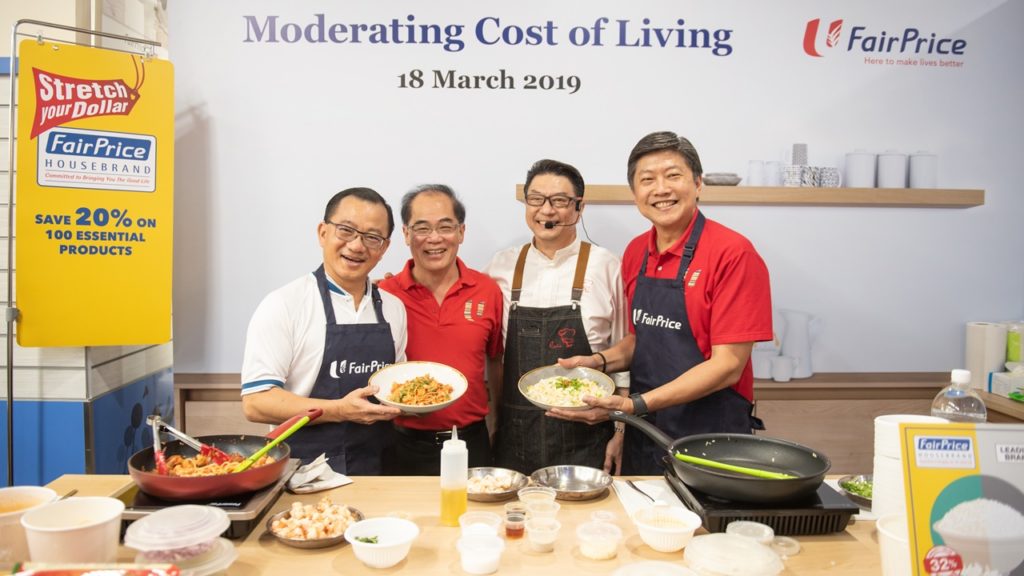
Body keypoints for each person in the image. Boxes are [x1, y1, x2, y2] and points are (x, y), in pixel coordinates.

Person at [551, 131, 773, 475]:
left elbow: (728, 365)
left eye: (673, 176)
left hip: (711, 436)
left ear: (698, 183)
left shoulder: (733, 253)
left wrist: (633, 404)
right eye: (647, 180)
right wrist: (599, 361)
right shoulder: (637, 251)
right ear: (635, 193)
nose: (661, 189)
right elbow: (644, 339)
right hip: (646, 431)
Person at [240, 187, 406, 475]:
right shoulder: (284, 304)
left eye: (372, 237)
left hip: (381, 472)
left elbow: (397, 386)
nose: (357, 246)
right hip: (301, 474)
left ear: (384, 247)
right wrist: (339, 410)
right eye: (346, 230)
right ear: (322, 232)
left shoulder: (394, 308)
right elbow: (256, 403)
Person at [485, 159, 628, 475]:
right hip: (514, 435)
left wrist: (620, 432)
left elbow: (624, 357)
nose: (546, 210)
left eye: (560, 201)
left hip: (587, 435)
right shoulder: (501, 266)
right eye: (535, 199)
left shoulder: (606, 265)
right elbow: (491, 356)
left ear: (579, 208)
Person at [378, 184, 503, 474]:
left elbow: (495, 361)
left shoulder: (487, 290)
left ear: (461, 232)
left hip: (472, 441)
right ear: (407, 235)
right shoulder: (385, 293)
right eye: (422, 228)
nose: (434, 238)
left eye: (445, 227)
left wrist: (497, 425)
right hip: (401, 443)